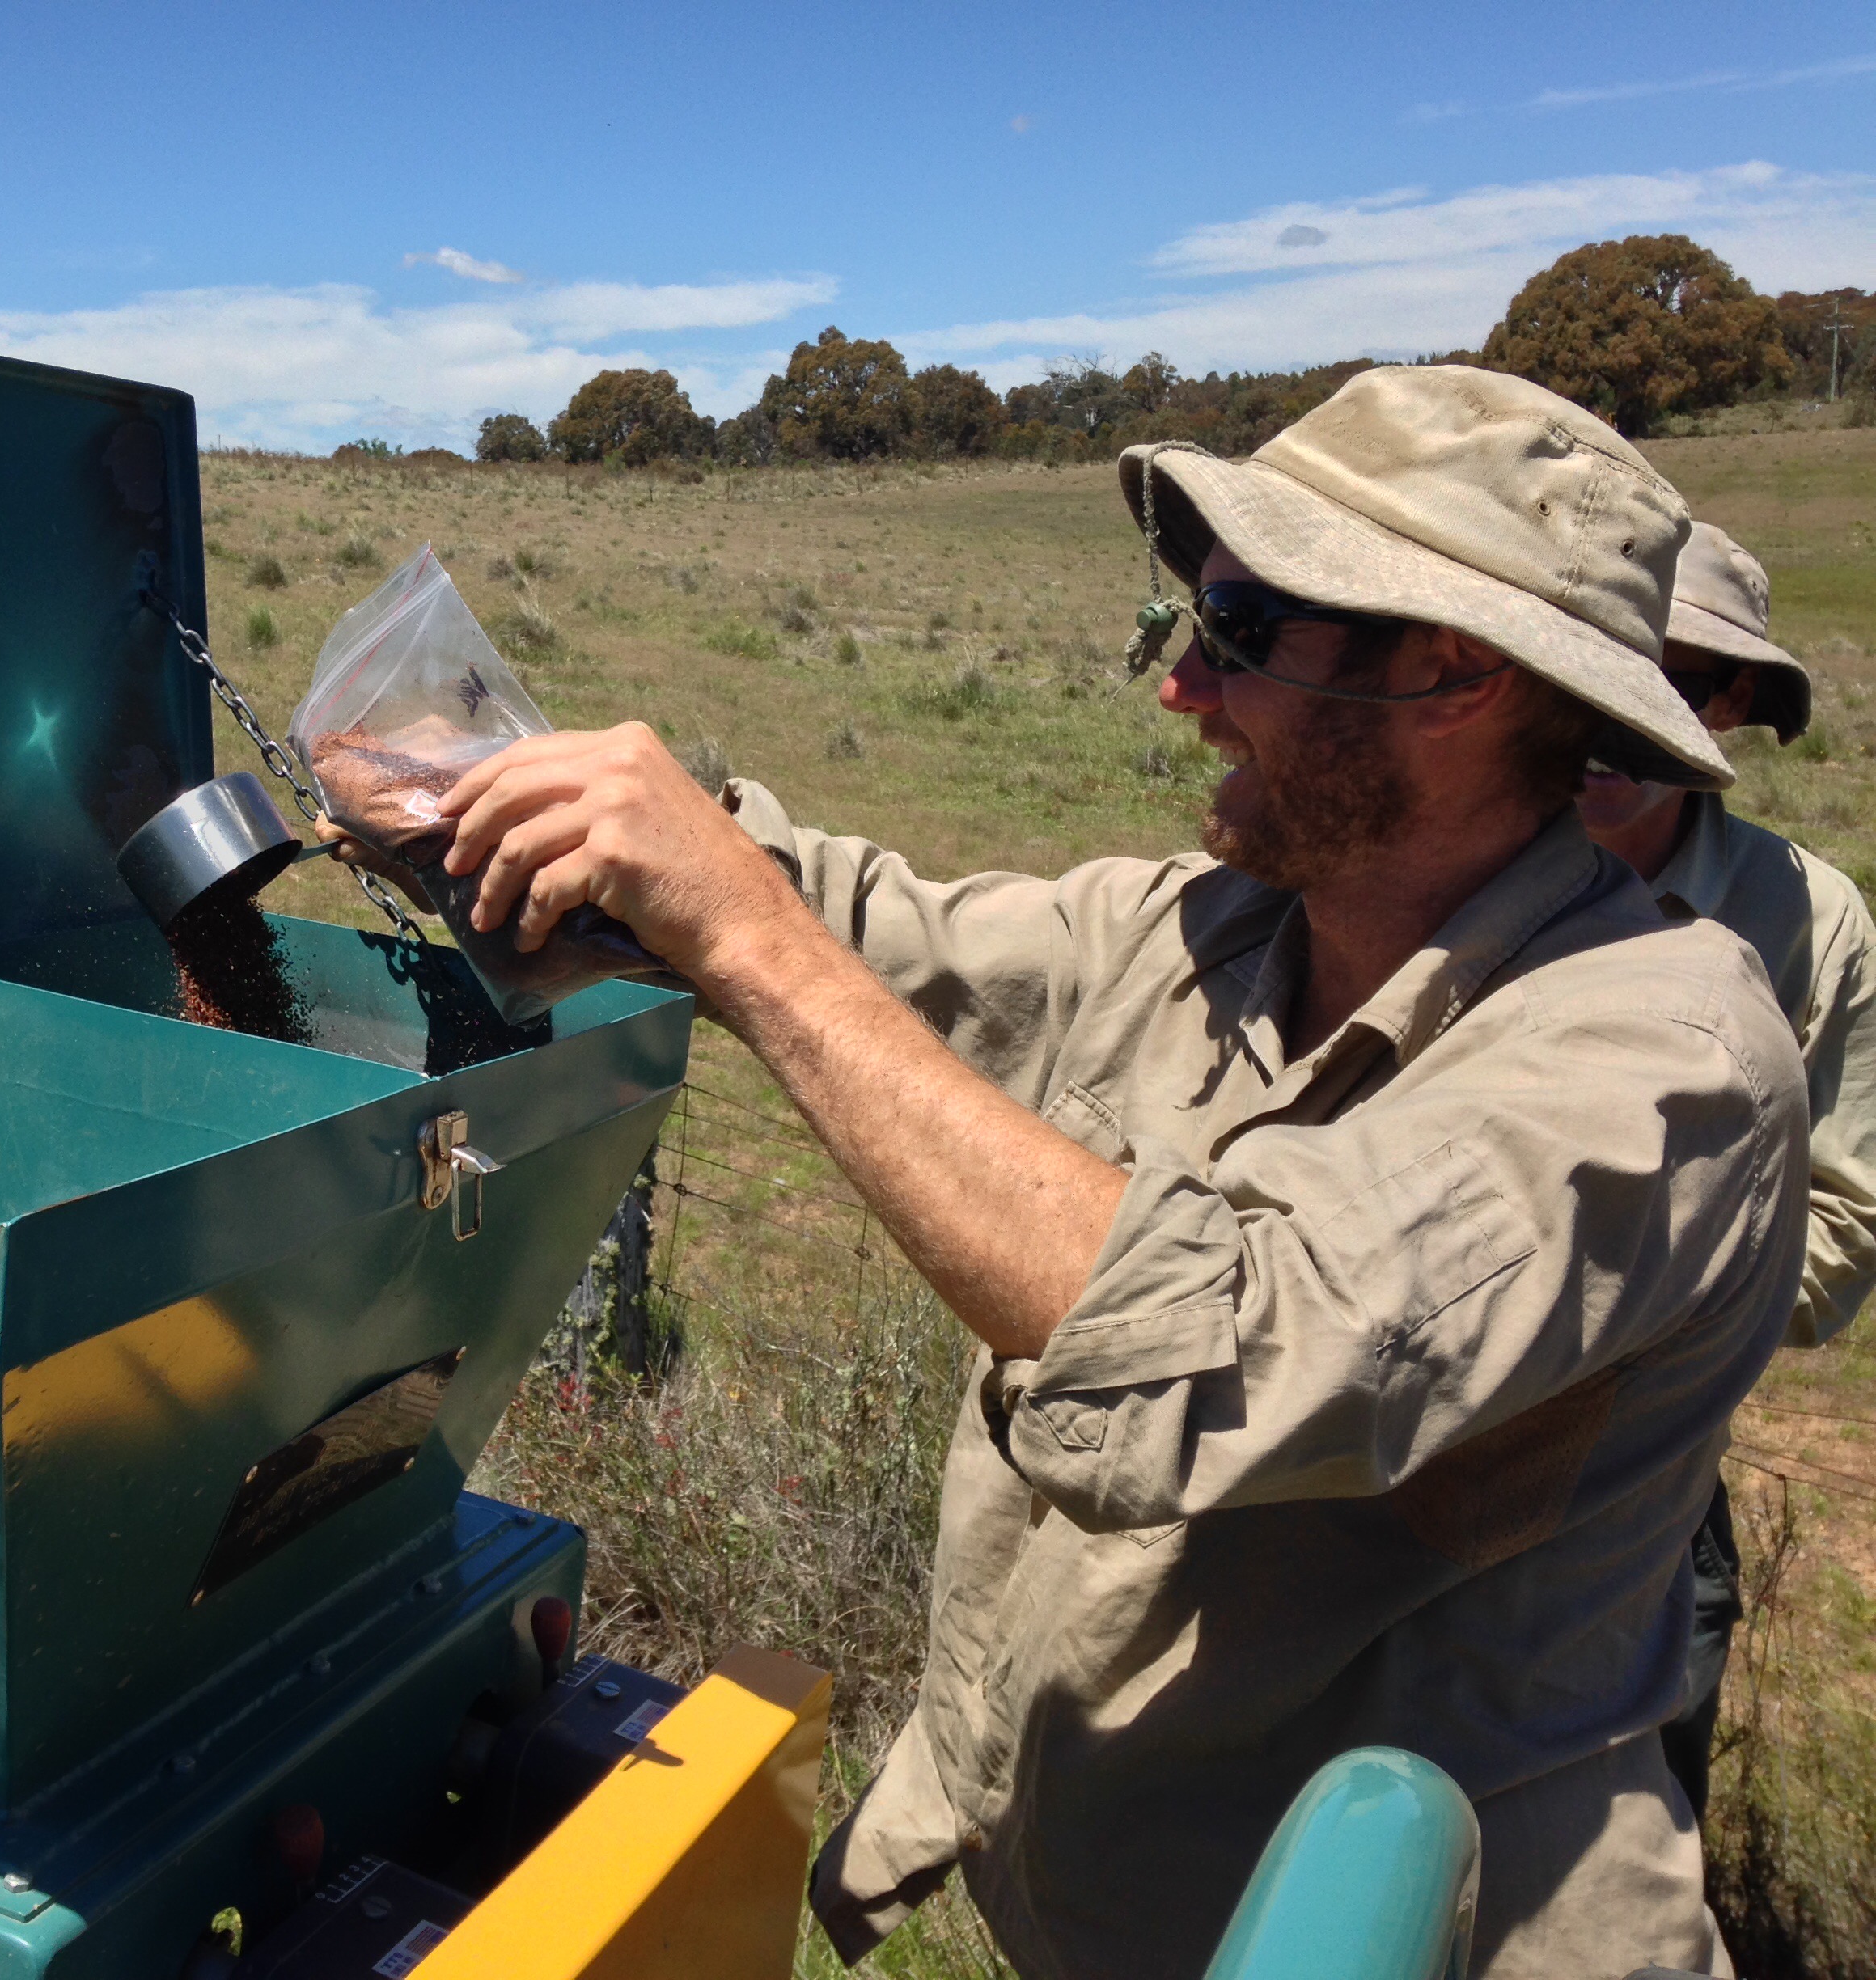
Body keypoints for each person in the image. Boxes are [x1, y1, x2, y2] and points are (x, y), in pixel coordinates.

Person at [329, 366, 1808, 1978]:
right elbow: (881, 931)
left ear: (1453, 678)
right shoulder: (1215, 928)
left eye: (1242, 627)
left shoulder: (1661, 1057)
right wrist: (512, 810)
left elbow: (1220, 1350)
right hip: (1043, 1897)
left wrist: (739, 932)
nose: (1184, 689)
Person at [1575, 519, 1876, 1821]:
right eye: (1592, 665)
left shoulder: (1807, 923)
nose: (1615, 722)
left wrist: (1583, 1304)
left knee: (1622, 1842)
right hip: (1375, 1460)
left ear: (1735, 704)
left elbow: (1838, 1241)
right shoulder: (1442, 859)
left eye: (1675, 683)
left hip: (1640, 1483)